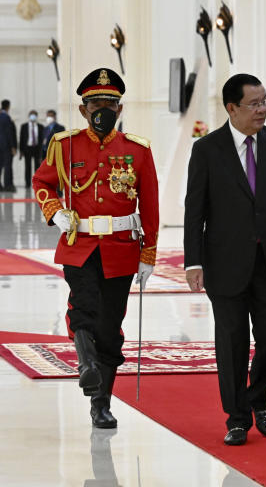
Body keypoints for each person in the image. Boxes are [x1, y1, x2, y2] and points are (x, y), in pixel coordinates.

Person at [183, 73, 266, 446]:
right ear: (231, 108)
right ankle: (237, 418)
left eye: (265, 102)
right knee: (232, 341)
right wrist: (194, 261)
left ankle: (258, 397)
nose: (262, 110)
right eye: (254, 104)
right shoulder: (207, 150)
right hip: (225, 262)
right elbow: (196, 211)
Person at [31, 68, 159, 428]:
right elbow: (42, 180)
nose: (103, 109)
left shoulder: (137, 150)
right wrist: (54, 211)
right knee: (83, 307)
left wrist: (148, 253)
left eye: (110, 104)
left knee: (110, 327)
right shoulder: (64, 144)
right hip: (80, 245)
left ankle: (100, 401)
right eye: (95, 104)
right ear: (83, 109)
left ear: (120, 109)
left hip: (120, 248)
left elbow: (150, 203)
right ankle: (86, 366)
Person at [19, 110, 43, 188]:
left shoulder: (40, 126)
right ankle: (28, 183)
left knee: (37, 167)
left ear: (36, 116)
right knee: (28, 167)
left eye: (34, 115)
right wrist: (21, 151)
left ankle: (36, 182)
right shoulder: (24, 126)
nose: (33, 116)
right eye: (31, 115)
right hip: (27, 148)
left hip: (37, 148)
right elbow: (21, 139)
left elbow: (41, 139)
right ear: (29, 116)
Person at [0, 99, 15, 191]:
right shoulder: (6, 117)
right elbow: (9, 133)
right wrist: (13, 146)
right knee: (7, 166)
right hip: (6, 145)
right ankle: (8, 185)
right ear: (8, 106)